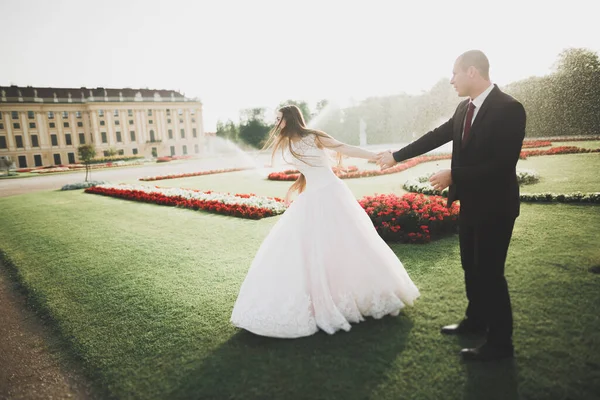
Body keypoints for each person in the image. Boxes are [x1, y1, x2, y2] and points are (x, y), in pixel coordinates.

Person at [377, 50, 526, 361]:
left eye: (454, 73)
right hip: (471, 204)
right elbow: (435, 137)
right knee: (471, 268)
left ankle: (501, 345)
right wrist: (395, 156)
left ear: (472, 72)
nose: (451, 80)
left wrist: (453, 174)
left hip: (496, 207)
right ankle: (476, 322)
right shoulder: (464, 108)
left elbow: (502, 165)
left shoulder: (510, 108)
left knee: (489, 273)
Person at [231, 105, 420, 338]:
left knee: (350, 242)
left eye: (279, 119)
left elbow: (344, 148)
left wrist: (376, 156)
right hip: (311, 197)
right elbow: (307, 170)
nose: (276, 123)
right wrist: (298, 187)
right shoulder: (286, 143)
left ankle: (363, 293)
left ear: (289, 119)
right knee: (310, 248)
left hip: (332, 193)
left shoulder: (314, 136)